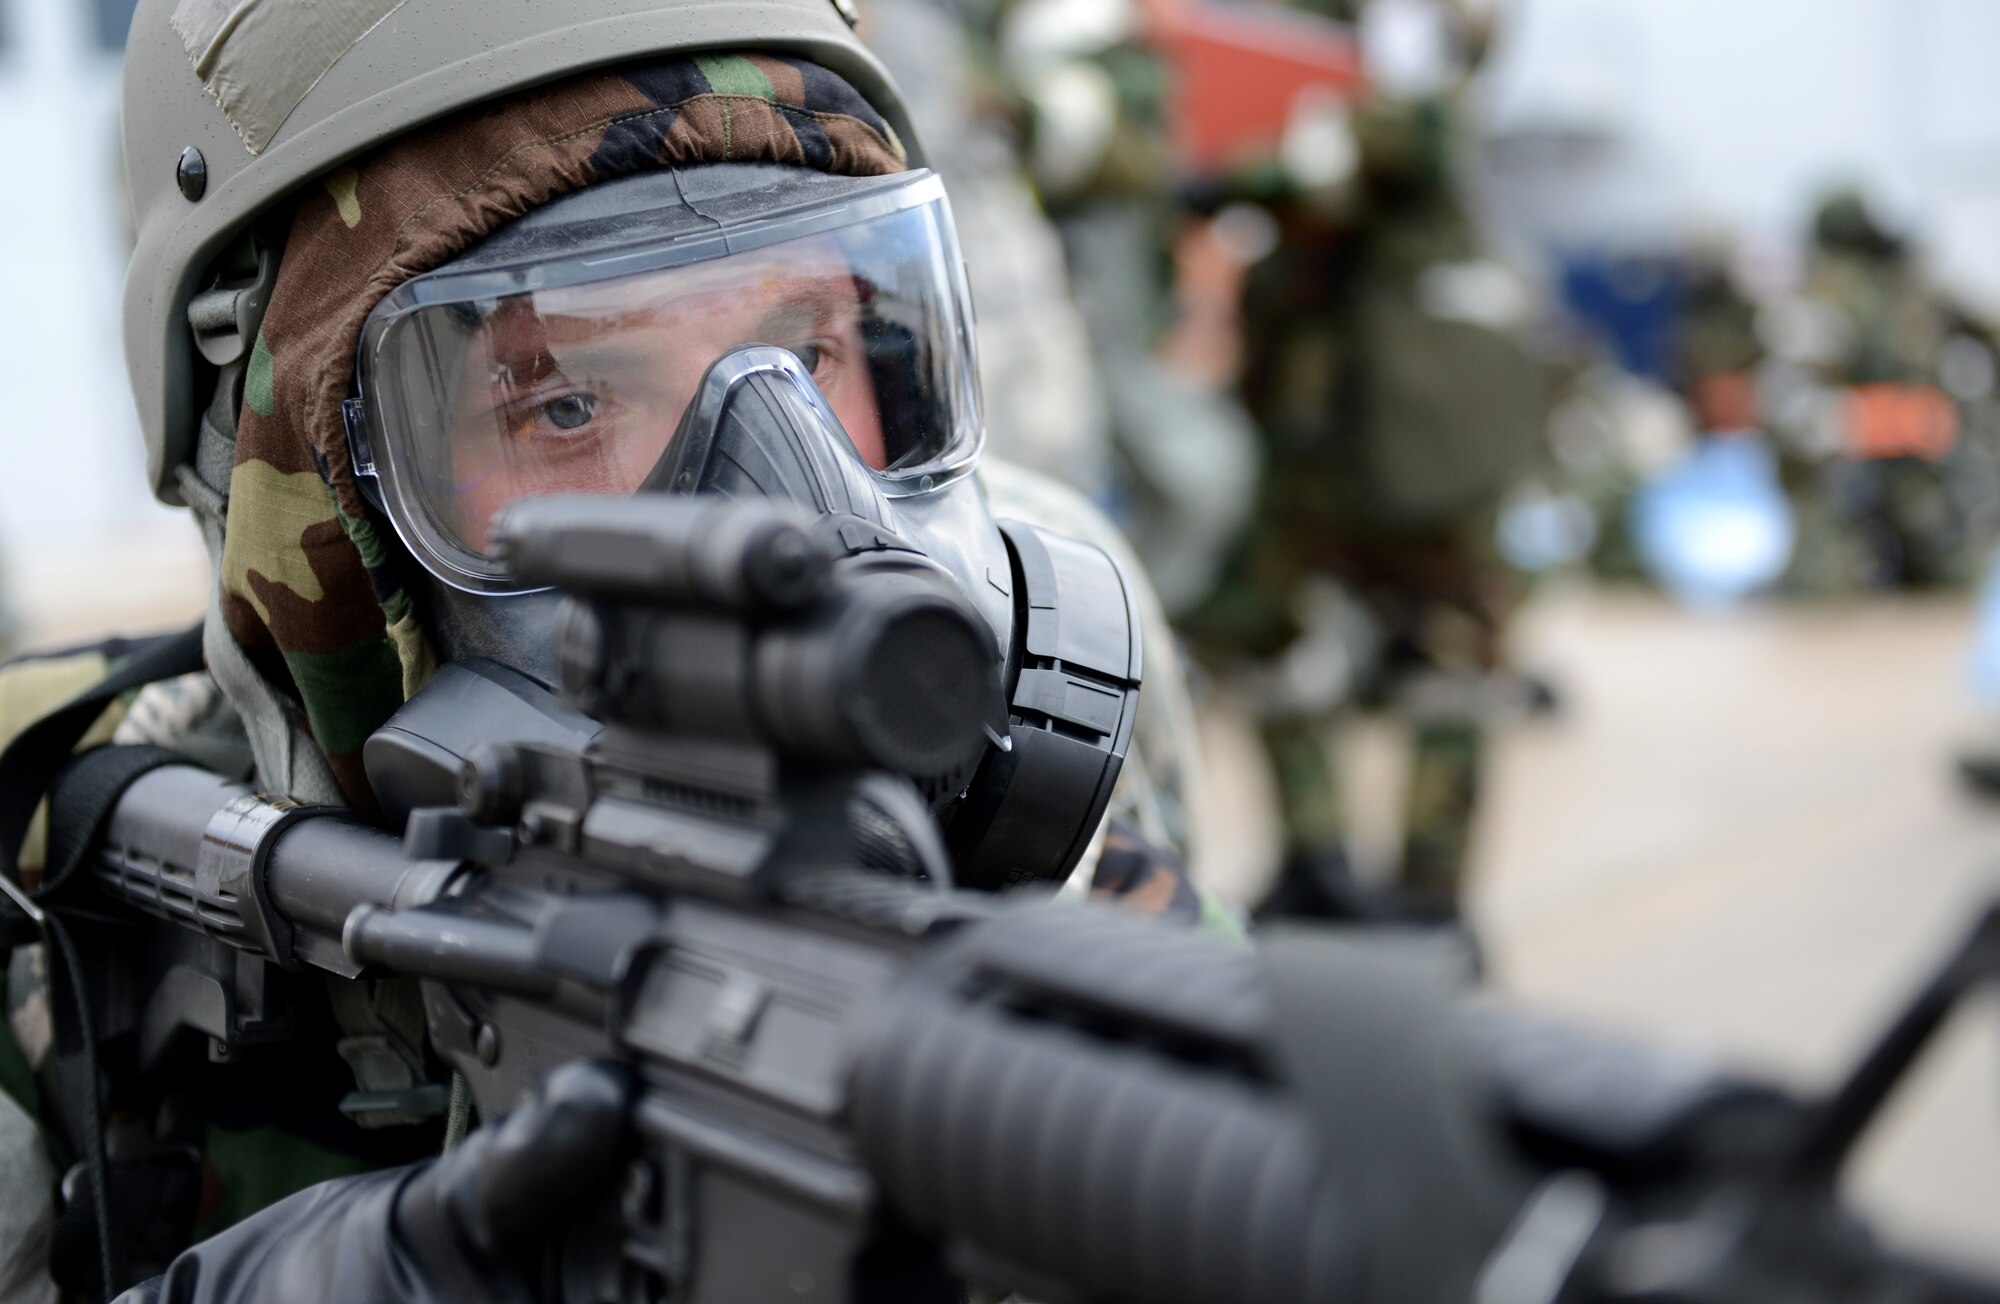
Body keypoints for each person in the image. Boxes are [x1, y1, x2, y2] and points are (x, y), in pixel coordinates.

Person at [0, 2, 1220, 1298]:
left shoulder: (1069, 834)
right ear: (298, 503)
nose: (782, 521)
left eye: (810, 346)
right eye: (568, 401)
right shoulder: (57, 916)